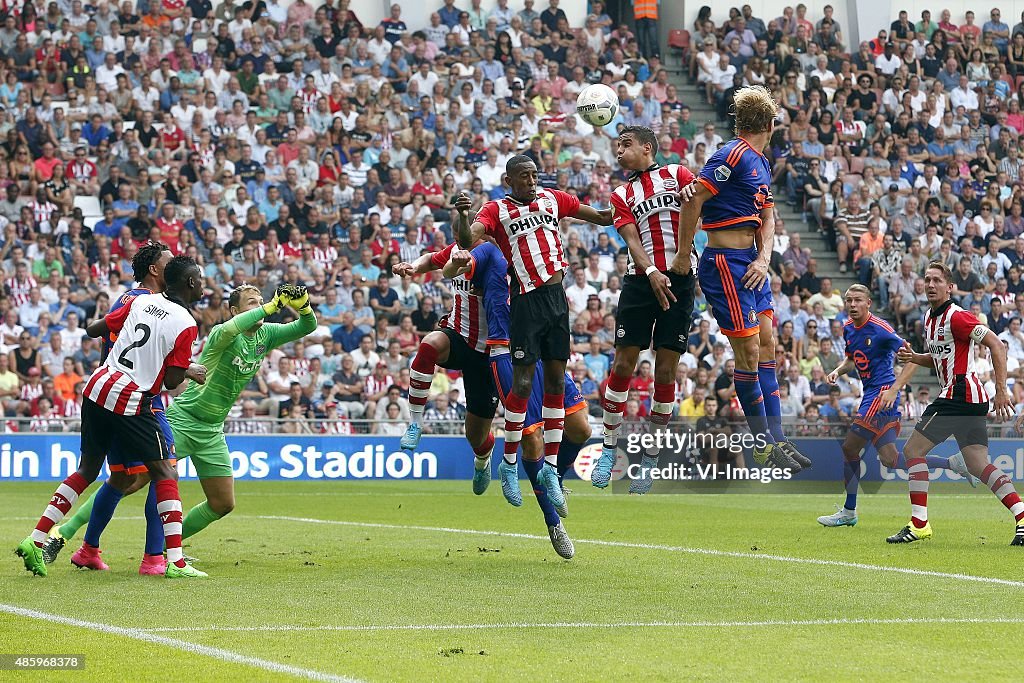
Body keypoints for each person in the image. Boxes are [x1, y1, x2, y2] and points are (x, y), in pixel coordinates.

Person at [16, 256, 207, 579]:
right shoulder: (186, 323)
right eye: (200, 279)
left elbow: (98, 328)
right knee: (164, 472)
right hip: (131, 397)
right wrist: (184, 368)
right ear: (189, 283)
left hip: (98, 385)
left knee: (89, 470)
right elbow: (172, 382)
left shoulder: (139, 302)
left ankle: (37, 538)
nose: (203, 284)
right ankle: (172, 560)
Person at [454, 155, 611, 512]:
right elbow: (466, 239)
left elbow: (602, 218)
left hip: (557, 300)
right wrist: (463, 216)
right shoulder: (495, 210)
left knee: (556, 383)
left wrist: (632, 203)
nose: (530, 180)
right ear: (509, 180)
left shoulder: (554, 199)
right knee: (522, 386)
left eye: (534, 175)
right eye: (523, 176)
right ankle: (509, 466)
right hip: (526, 301)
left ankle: (552, 472)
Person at [672, 85, 810, 473]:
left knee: (768, 347)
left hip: (752, 263)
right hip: (725, 263)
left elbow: (767, 216)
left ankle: (778, 439)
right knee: (748, 353)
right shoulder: (730, 154)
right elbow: (694, 198)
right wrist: (684, 253)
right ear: (770, 124)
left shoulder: (761, 162)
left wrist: (765, 258)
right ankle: (763, 443)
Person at [42, 242, 176, 575]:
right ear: (155, 270)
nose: (175, 266)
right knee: (165, 472)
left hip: (109, 393)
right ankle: (156, 559)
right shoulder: (148, 303)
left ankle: (86, 548)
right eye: (169, 262)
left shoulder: (132, 300)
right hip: (135, 397)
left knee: (120, 479)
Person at [590, 125, 698, 492]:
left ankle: (651, 456)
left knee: (666, 371)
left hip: (682, 278)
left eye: (626, 145)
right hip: (640, 280)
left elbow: (699, 206)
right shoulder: (622, 193)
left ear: (648, 148)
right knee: (622, 363)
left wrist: (682, 255)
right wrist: (651, 270)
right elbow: (631, 237)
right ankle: (608, 448)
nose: (619, 151)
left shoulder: (678, 174)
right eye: (617, 146)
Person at [886, 262, 1024, 545]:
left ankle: (919, 524)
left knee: (913, 450)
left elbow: (997, 345)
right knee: (977, 464)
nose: (931, 284)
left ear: (949, 287)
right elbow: (938, 358)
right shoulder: (928, 318)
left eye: (937, 280)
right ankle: (1022, 516)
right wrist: (914, 358)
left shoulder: (957, 316)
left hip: (959, 394)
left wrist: (1001, 389)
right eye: (927, 280)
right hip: (968, 400)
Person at [818, 285, 977, 527]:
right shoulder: (849, 329)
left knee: (850, 448)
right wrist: (838, 371)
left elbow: (911, 359)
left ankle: (849, 511)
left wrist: (894, 390)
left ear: (868, 303)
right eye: (848, 300)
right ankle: (953, 464)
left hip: (882, 395)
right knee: (891, 459)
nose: (852, 305)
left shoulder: (881, 330)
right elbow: (852, 358)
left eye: (857, 300)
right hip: (870, 394)